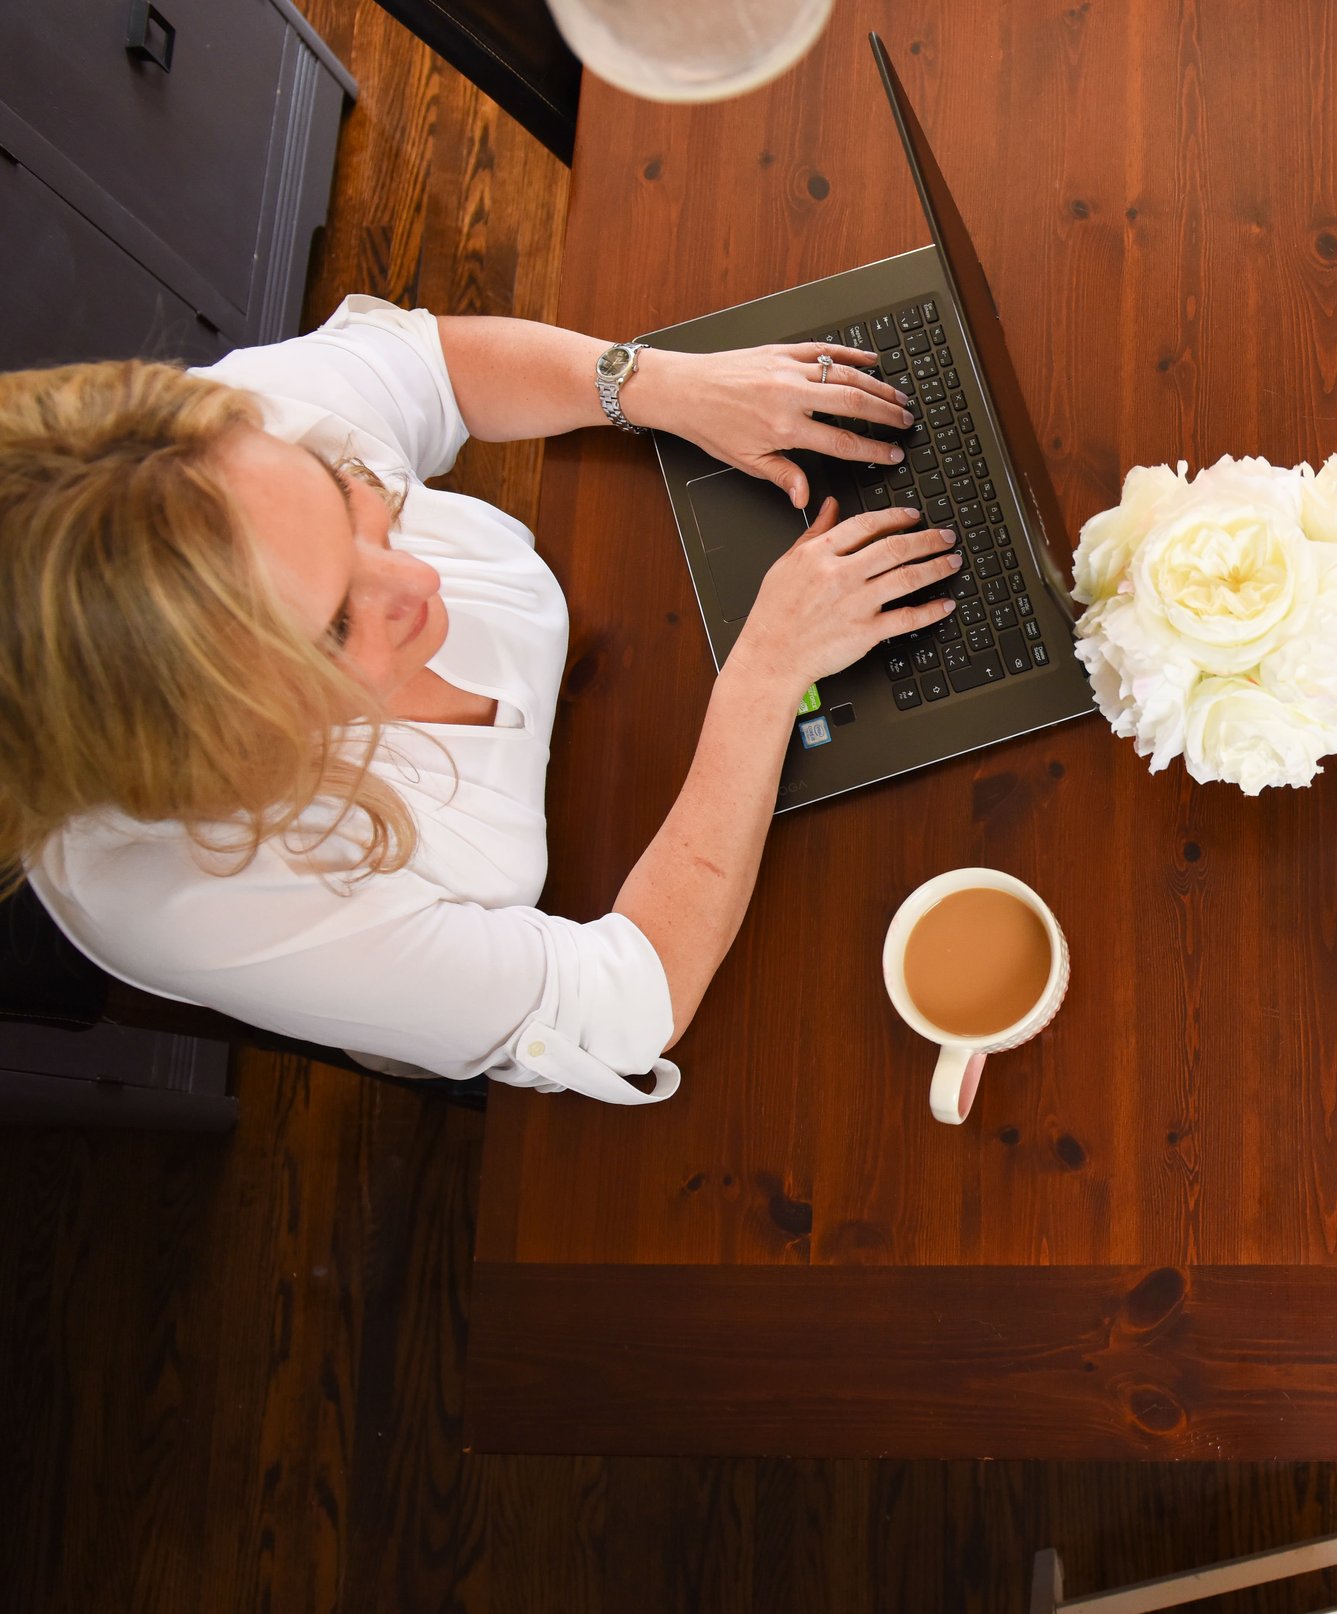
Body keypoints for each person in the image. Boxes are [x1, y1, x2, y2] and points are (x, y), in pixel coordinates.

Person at [0, 298, 964, 1102]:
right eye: (337, 628)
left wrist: (658, 384)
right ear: (230, 749)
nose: (415, 576)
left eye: (347, 502)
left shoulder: (211, 466)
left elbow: (431, 369)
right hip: (577, 921)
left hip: (621, 677)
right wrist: (765, 678)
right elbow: (629, 1006)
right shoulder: (207, 899)